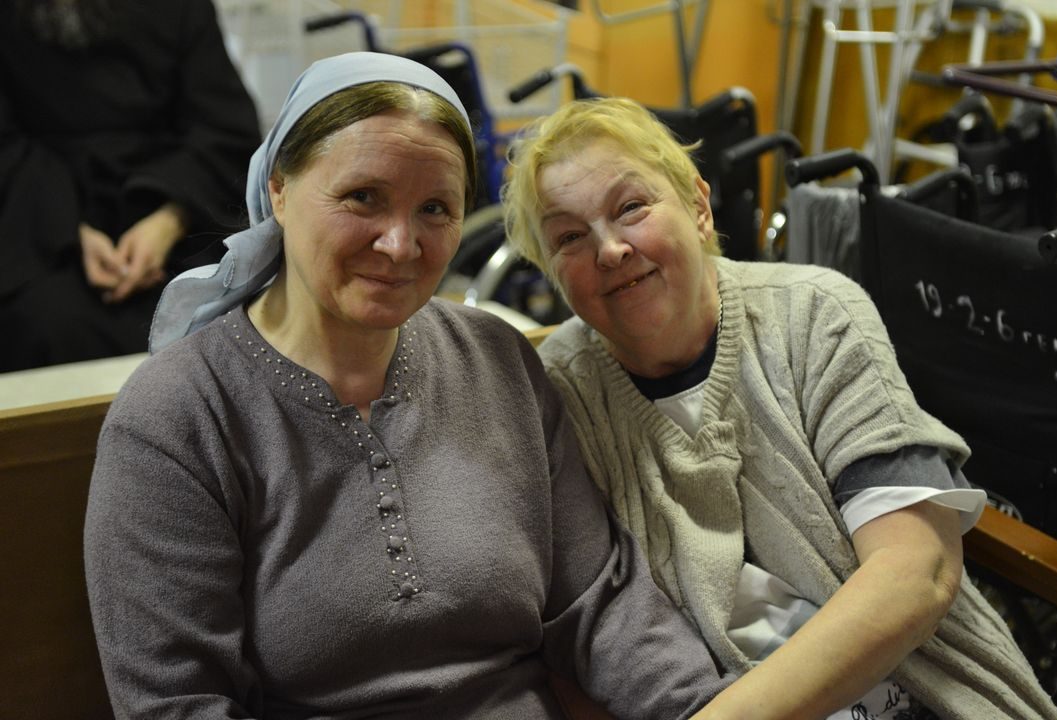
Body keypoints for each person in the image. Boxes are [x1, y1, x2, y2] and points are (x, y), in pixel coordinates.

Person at [83, 52, 735, 719]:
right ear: (279, 188)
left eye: (434, 208)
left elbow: (601, 606)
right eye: (363, 197)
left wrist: (706, 708)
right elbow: (176, 704)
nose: (400, 244)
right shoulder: (181, 415)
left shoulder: (497, 361)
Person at [501, 96, 1057, 720]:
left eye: (631, 207)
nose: (610, 250)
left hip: (924, 690)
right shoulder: (558, 393)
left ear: (698, 206)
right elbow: (580, 632)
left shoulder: (813, 314)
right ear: (551, 271)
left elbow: (916, 570)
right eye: (569, 237)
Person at [0, 0, 261, 371]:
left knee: (224, 312)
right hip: (38, 217)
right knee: (43, 321)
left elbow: (225, 129)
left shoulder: (181, 8)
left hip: (179, 208)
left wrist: (168, 222)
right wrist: (68, 228)